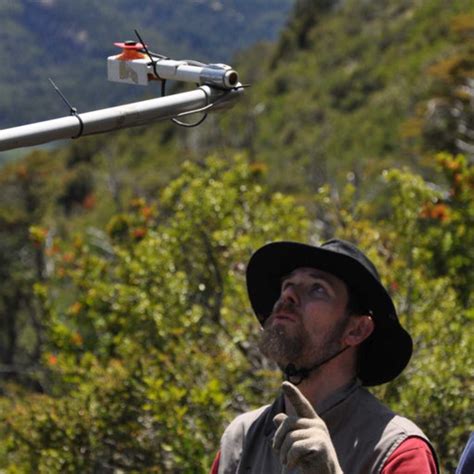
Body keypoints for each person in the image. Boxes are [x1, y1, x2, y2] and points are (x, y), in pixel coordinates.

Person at [211, 239, 439, 473]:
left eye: (317, 288)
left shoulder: (397, 450)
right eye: (287, 285)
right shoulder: (241, 439)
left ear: (356, 330)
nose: (287, 295)